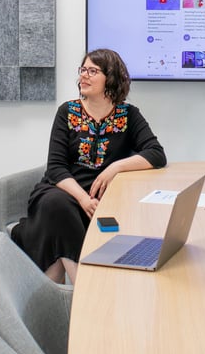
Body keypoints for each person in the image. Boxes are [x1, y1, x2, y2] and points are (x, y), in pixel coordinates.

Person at [12, 49, 166, 284]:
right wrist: (83, 199)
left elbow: (156, 154)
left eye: (92, 71)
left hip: (102, 201)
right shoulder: (67, 112)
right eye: (83, 70)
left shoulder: (128, 115)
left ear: (111, 77)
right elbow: (55, 167)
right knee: (57, 206)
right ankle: (85, 286)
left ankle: (58, 298)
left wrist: (115, 167)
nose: (84, 76)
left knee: (55, 245)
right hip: (62, 191)